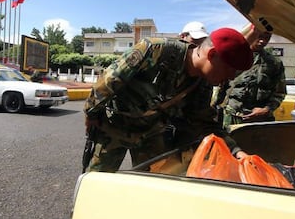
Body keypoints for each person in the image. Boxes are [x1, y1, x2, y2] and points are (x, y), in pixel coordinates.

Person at [82, 27, 254, 172]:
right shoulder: (156, 50)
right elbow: (108, 81)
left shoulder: (203, 84)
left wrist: (236, 151)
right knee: (96, 179)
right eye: (230, 69)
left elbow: (203, 122)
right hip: (115, 126)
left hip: (151, 133)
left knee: (152, 186)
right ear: (212, 54)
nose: (231, 77)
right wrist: (91, 113)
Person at [218, 25, 286, 127]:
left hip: (260, 120)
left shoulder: (274, 63)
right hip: (231, 118)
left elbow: (279, 93)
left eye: (267, 38)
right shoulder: (234, 56)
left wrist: (267, 110)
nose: (263, 41)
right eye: (260, 36)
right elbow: (218, 85)